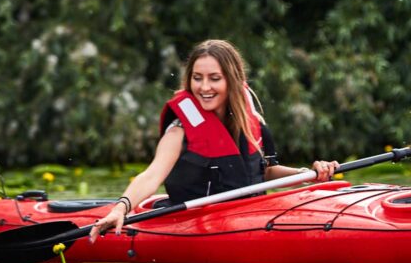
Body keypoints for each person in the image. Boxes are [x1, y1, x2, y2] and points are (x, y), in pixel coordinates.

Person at [90, 39, 338, 241]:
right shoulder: (179, 131)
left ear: (232, 79)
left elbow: (264, 172)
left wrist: (308, 173)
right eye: (197, 78)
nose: (204, 87)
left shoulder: (253, 124)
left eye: (214, 78)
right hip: (193, 226)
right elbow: (151, 176)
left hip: (250, 218)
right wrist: (121, 208)